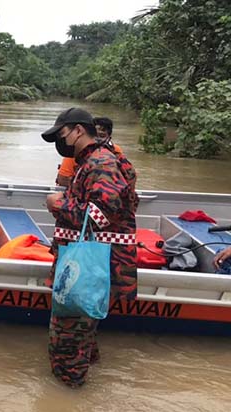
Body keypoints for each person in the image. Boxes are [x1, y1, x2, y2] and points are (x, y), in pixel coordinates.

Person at [42, 107, 138, 388]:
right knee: (81, 336)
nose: (61, 142)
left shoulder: (100, 164)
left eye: (62, 135)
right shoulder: (91, 161)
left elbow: (100, 214)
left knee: (67, 344)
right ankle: (76, 393)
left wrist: (56, 203)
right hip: (89, 265)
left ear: (78, 131)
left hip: (90, 268)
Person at [56, 116, 124, 187]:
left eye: (102, 136)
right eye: (94, 135)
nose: (97, 139)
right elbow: (63, 179)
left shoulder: (116, 151)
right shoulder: (77, 150)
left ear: (109, 138)